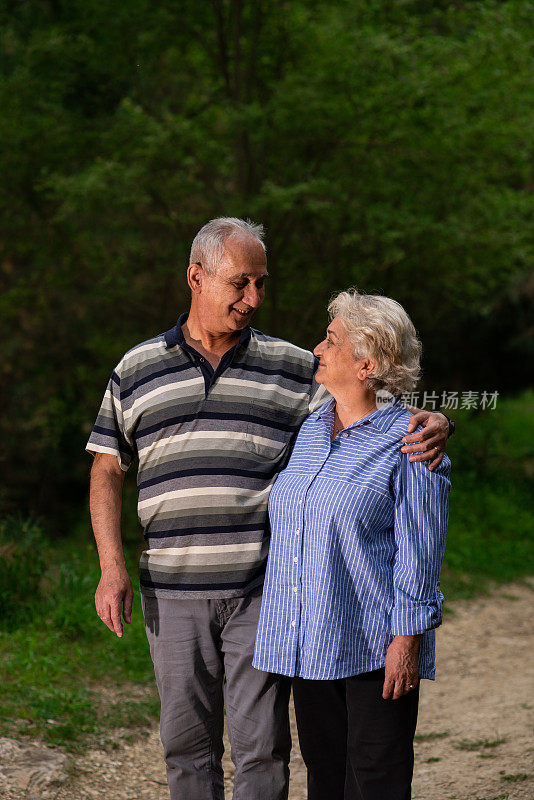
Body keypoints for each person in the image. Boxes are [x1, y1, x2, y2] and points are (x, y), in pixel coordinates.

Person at [86, 219, 451, 800]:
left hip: (262, 597)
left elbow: (375, 391)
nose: (253, 297)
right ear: (195, 277)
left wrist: (436, 419)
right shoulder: (136, 369)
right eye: (240, 282)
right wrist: (111, 566)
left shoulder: (292, 368)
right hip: (173, 593)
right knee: (186, 748)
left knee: (265, 752)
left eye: (261, 283)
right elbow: (106, 467)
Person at [253, 288, 451, 800]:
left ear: (368, 363)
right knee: (323, 778)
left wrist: (407, 642)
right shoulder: (311, 428)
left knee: (374, 782)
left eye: (331, 340)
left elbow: (420, 556)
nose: (317, 348)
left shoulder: (411, 442)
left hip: (374, 650)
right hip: (310, 642)